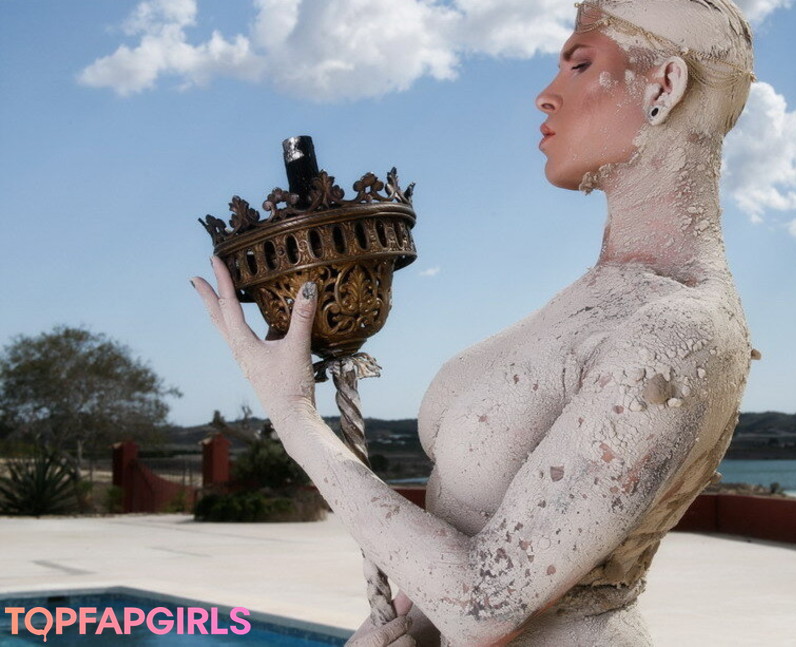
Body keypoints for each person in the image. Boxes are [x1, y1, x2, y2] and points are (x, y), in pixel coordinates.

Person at [193, 0, 756, 644]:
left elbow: (487, 602)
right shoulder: (600, 297)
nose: (545, 96)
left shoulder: (679, 330)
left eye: (579, 65)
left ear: (664, 86)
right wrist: (403, 621)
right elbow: (457, 568)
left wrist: (294, 416)